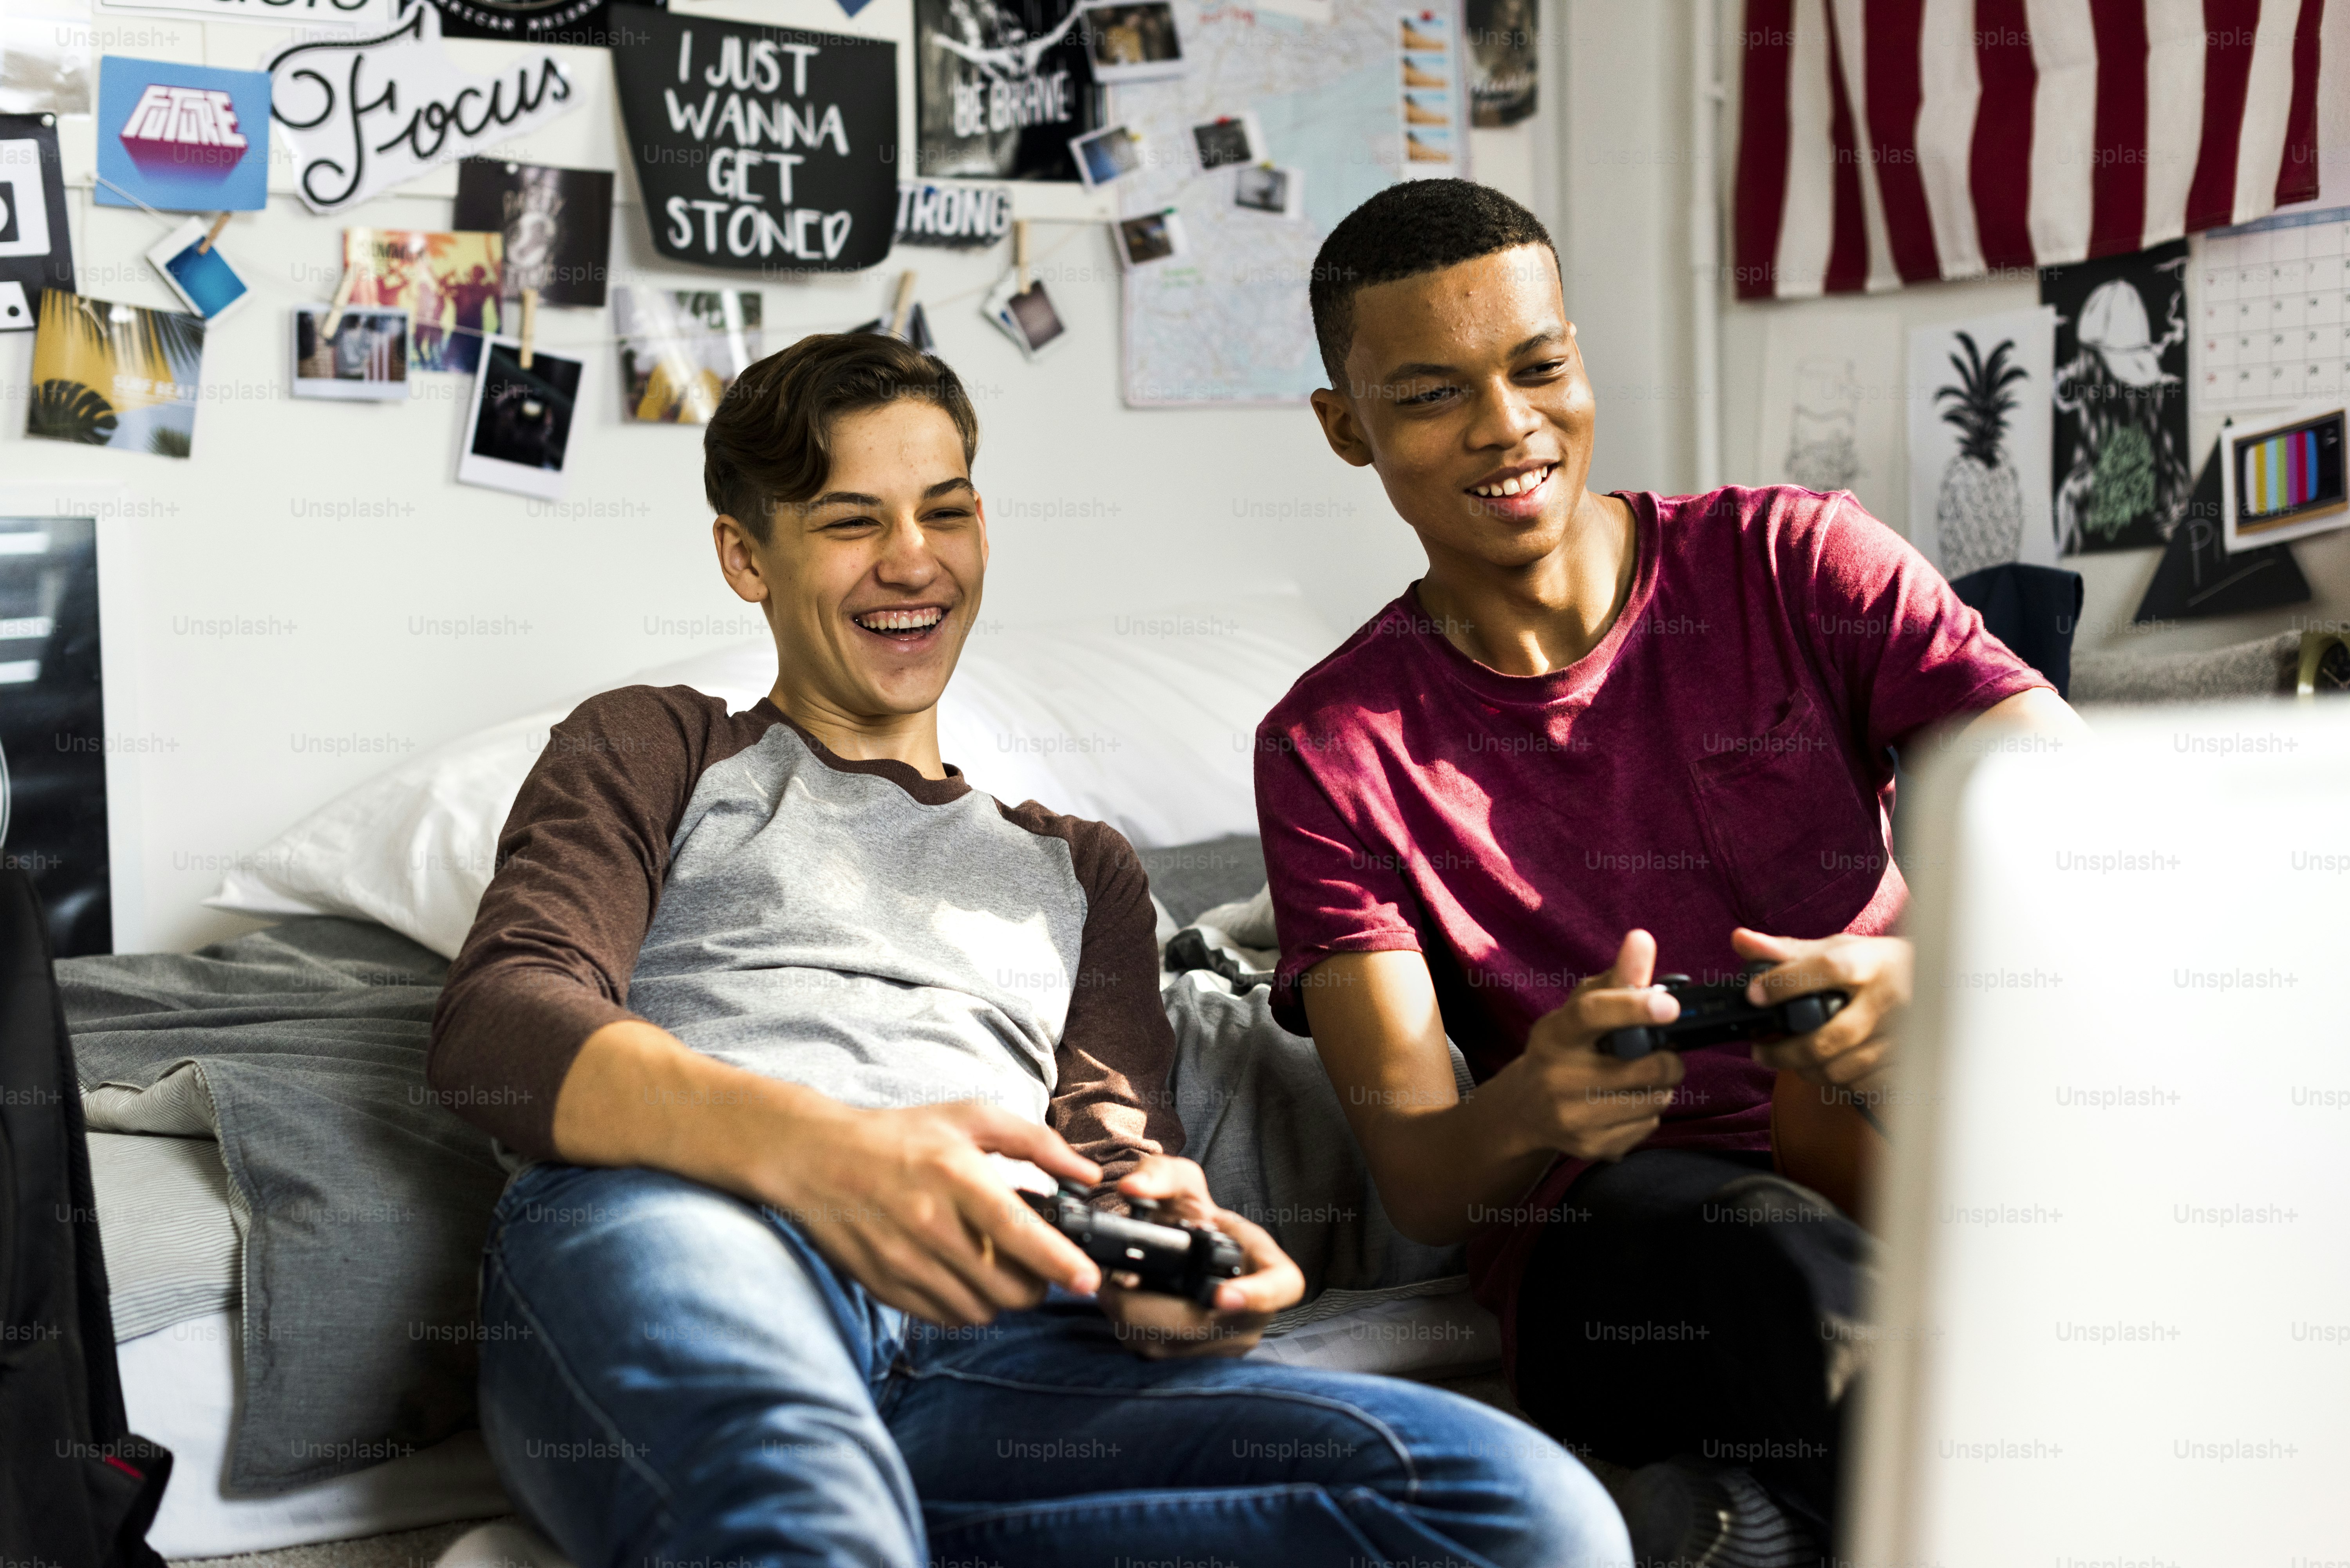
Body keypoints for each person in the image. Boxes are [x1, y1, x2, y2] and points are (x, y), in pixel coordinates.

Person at [427, 330, 1625, 1568]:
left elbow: (1113, 1145)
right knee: (801, 1501)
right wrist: (831, 1152)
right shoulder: (659, 744)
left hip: (996, 1330)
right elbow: (501, 1022)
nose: (912, 560)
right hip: (696, 1228)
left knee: (1529, 1511)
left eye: (944, 511)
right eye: (850, 522)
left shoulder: (1084, 867)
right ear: (748, 557)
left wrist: (1171, 1268)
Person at [1254, 179, 2086, 1567]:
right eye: (1432, 394)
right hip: (1618, 1231)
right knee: (1783, 1263)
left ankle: (1742, 1519)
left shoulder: (1797, 560)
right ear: (1348, 429)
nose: (1508, 427)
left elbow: (2075, 813)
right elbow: (1420, 1173)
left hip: (1889, 1128)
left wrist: (1928, 969)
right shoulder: (1332, 749)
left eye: (1540, 367)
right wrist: (1534, 1098)